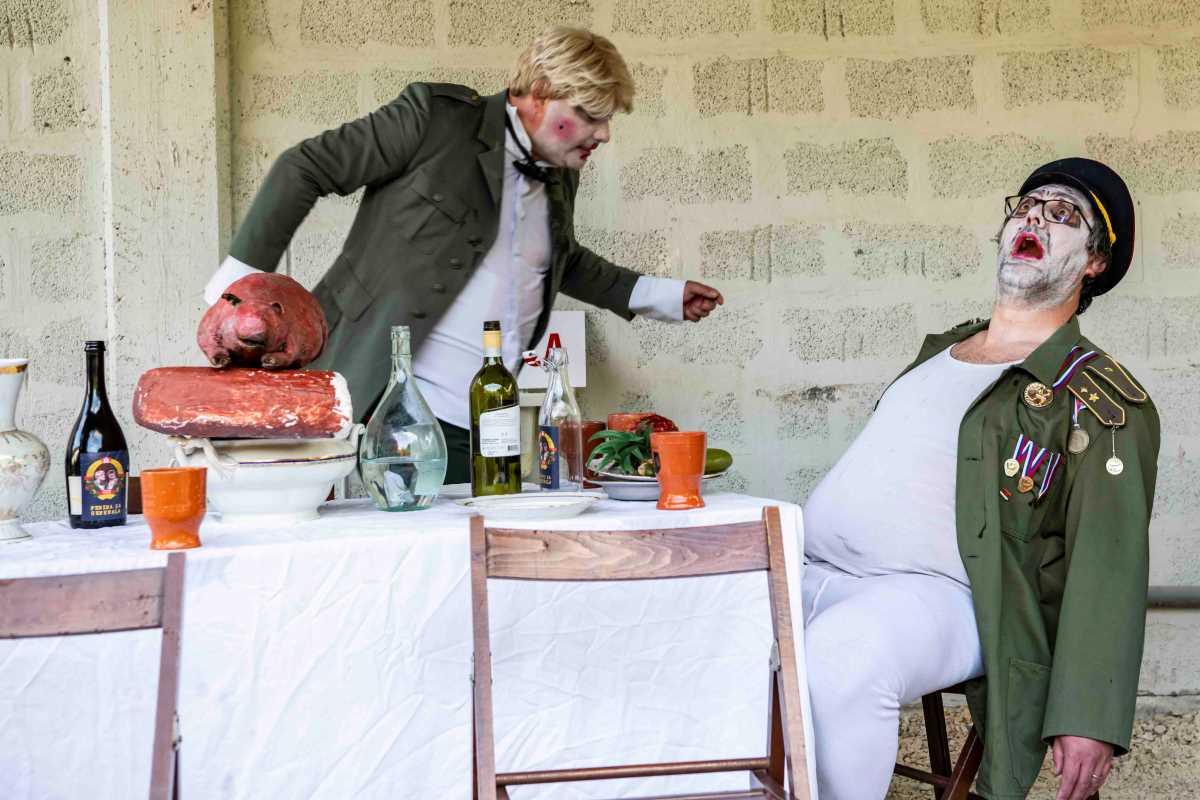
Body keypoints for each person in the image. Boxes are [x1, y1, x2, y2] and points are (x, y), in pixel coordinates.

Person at [203, 27, 723, 482]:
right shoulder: (433, 118)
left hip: (489, 414)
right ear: (539, 96)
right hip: (399, 405)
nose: (603, 134)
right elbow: (305, 167)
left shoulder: (561, 172)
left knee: (479, 553)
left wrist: (659, 295)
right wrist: (237, 293)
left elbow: (562, 259)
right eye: (588, 115)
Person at [800, 158, 1158, 800]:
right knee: (703, 625)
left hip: (941, 597)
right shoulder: (941, 351)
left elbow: (1108, 563)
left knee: (842, 660)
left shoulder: (1097, 400)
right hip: (811, 568)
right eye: (1026, 205)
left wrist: (1089, 715)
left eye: (1062, 214)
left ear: (1095, 261)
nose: (1034, 218)